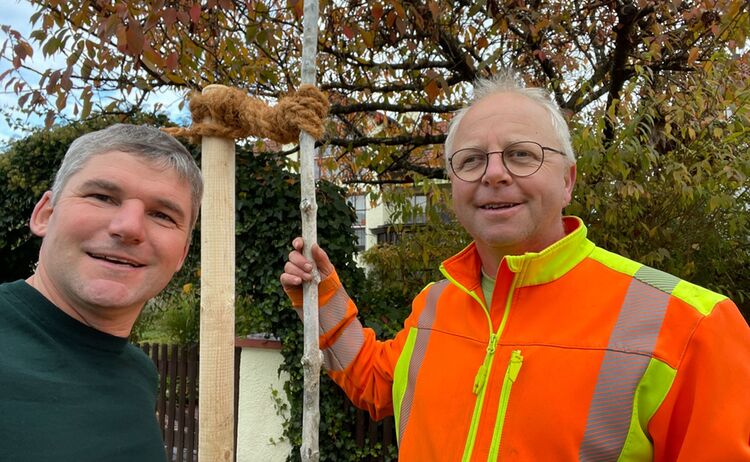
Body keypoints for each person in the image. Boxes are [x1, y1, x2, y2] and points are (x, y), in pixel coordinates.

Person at [280, 73, 750, 460]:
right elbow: (373, 381)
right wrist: (320, 297)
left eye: (521, 155)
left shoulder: (692, 329)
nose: (494, 173)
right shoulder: (436, 304)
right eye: (471, 160)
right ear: (454, 186)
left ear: (568, 180)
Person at [0, 124, 203, 461]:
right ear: (45, 215)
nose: (128, 228)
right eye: (102, 197)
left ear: (181, 254)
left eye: (161, 215)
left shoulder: (138, 375)